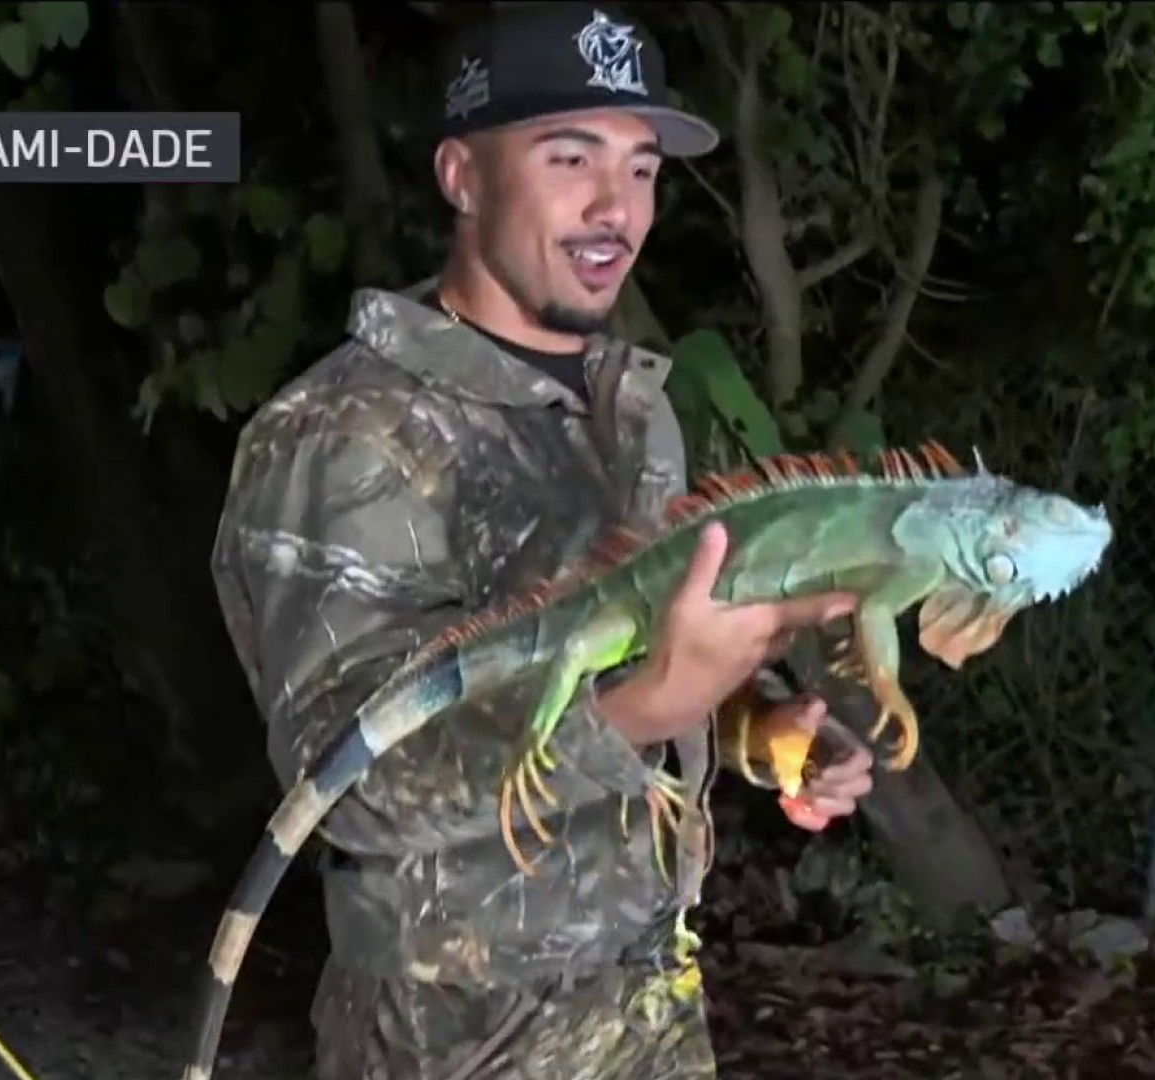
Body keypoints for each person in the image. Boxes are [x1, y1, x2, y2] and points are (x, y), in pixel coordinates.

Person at [209, 5, 874, 1078]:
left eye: (644, 167)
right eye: (570, 157)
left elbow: (626, 650)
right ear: (463, 176)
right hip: (457, 1042)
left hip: (644, 1006)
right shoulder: (349, 433)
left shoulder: (632, 409)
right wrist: (652, 703)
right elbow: (355, 783)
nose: (617, 207)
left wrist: (758, 729)